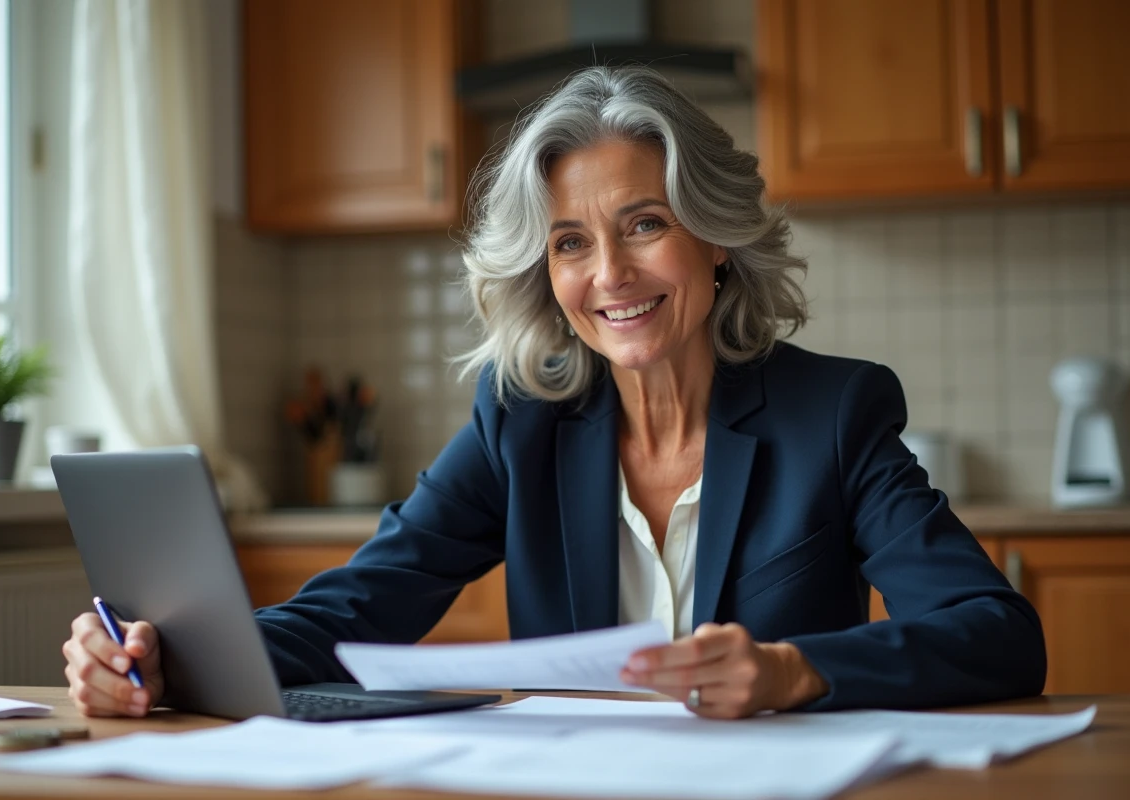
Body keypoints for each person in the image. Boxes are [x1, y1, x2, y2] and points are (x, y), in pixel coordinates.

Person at [62, 66, 1046, 720]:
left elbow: (997, 634)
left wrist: (801, 668)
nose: (609, 272)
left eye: (645, 222)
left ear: (715, 238)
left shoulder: (833, 415)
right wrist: (161, 656)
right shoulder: (519, 421)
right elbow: (353, 608)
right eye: (570, 240)